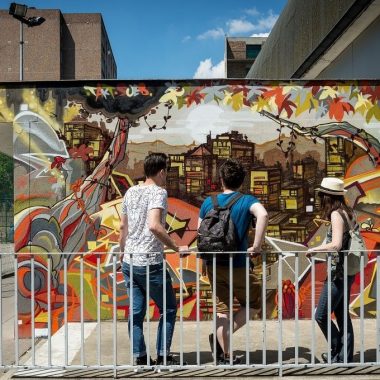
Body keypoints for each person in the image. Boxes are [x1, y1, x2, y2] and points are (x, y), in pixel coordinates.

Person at [119, 152, 188, 366]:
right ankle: (163, 356)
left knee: (137, 312)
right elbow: (154, 225)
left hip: (130, 260)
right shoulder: (159, 192)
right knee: (168, 308)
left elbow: (123, 227)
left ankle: (140, 358)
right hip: (150, 262)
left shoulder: (130, 191)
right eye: (166, 171)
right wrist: (177, 247)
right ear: (161, 172)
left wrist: (123, 253)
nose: (166, 175)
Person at [198, 158, 268, 364]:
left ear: (221, 180)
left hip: (213, 264)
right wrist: (256, 246)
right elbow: (263, 215)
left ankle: (225, 355)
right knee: (255, 303)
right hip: (238, 263)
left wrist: (204, 261)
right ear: (242, 181)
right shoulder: (246, 201)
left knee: (222, 310)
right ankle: (223, 338)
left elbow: (200, 233)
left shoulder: (208, 202)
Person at [307, 177, 356, 363]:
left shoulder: (336, 214)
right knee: (342, 316)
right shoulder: (347, 212)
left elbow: (335, 244)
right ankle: (345, 356)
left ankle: (337, 351)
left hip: (338, 273)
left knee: (320, 315)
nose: (320, 199)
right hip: (347, 271)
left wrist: (314, 250)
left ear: (327, 197)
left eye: (322, 196)